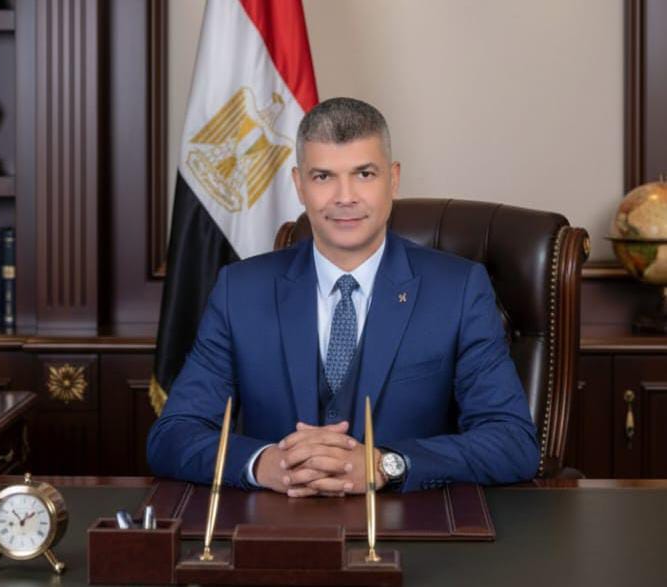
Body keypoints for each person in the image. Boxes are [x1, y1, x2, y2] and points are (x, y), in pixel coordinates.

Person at [147, 97, 539, 495]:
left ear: (393, 179)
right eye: (323, 177)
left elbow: (513, 442)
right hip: (273, 523)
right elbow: (173, 435)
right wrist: (263, 463)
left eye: (364, 174)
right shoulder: (240, 290)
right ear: (299, 184)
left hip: (412, 525)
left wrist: (387, 464)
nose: (345, 196)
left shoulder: (458, 289)